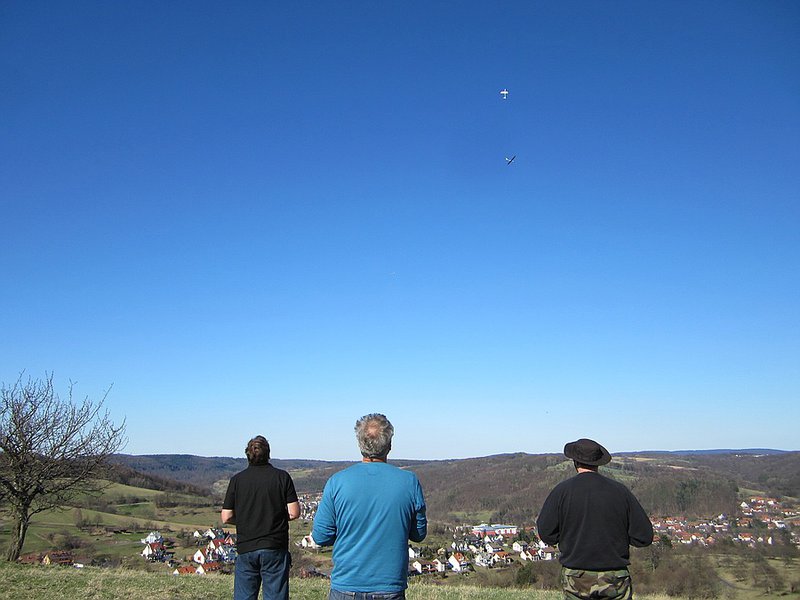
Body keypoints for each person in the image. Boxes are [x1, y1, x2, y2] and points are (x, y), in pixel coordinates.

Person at [311, 413, 427, 600]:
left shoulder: (337, 482)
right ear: (389, 445)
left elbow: (321, 536)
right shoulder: (409, 482)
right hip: (389, 587)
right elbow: (418, 534)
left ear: (360, 444)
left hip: (346, 586)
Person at [536, 438, 653, 600]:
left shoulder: (561, 492)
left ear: (575, 462)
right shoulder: (621, 492)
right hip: (615, 577)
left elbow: (546, 534)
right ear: (598, 463)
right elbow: (644, 537)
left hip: (576, 576)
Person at [221, 435, 300, 600]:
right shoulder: (282, 477)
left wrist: (243, 519)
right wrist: (274, 517)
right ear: (268, 454)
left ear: (247, 455)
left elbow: (226, 516)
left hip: (246, 546)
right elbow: (294, 512)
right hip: (275, 546)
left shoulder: (237, 480)